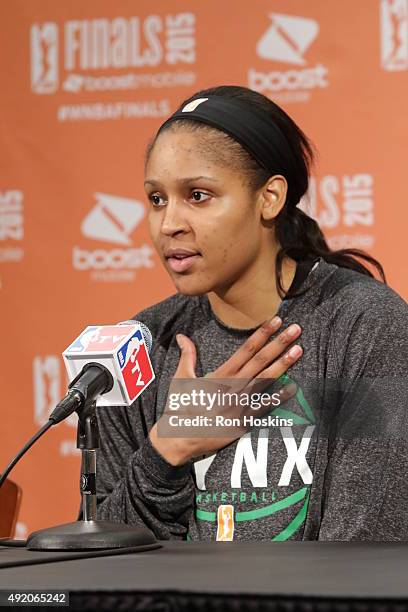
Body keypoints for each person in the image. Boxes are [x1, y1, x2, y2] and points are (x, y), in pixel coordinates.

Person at [93, 86, 408, 541]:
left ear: (270, 198)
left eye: (198, 195)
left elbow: (366, 554)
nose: (168, 224)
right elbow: (103, 560)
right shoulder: (138, 347)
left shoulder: (367, 327)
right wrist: (168, 449)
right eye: (157, 199)